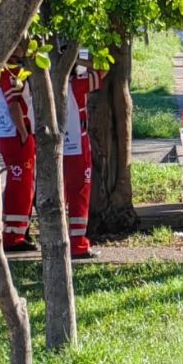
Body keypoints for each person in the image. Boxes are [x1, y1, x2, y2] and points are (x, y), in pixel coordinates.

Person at [0, 46, 38, 252]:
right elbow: (14, 105)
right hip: (17, 135)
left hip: (9, 134)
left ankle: (18, 231)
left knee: (21, 184)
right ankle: (13, 236)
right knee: (21, 186)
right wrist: (24, 133)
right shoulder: (10, 73)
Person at [64, 54, 108, 259]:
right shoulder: (77, 84)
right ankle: (78, 244)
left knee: (61, 194)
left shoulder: (45, 86)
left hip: (54, 149)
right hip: (76, 146)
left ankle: (61, 240)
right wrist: (78, 59)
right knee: (80, 193)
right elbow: (103, 69)